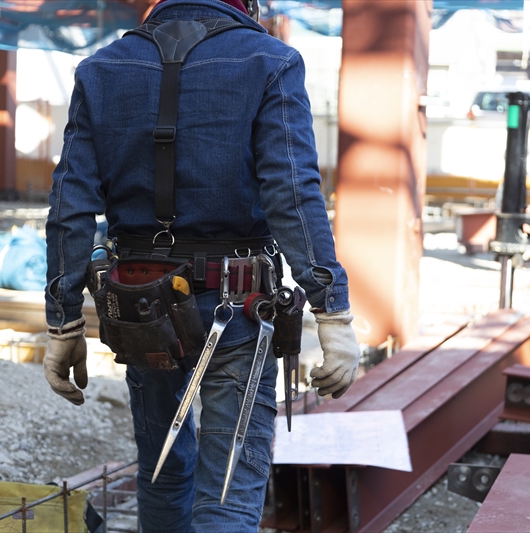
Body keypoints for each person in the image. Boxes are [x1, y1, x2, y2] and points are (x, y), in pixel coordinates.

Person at [42, 0, 360, 531]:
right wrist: (332, 313)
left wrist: (64, 322)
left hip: (138, 304)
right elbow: (293, 195)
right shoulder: (271, 62)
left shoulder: (100, 70)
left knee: (162, 472)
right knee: (229, 494)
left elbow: (70, 207)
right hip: (235, 304)